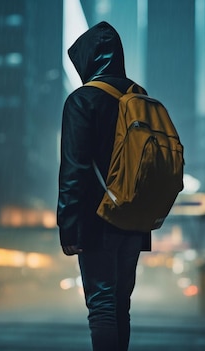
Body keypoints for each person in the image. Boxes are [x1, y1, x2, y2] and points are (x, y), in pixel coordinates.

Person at [57, 21, 151, 351]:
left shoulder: (83, 100)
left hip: (98, 220)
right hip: (135, 220)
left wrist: (69, 228)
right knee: (120, 306)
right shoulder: (138, 96)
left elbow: (75, 171)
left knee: (101, 306)